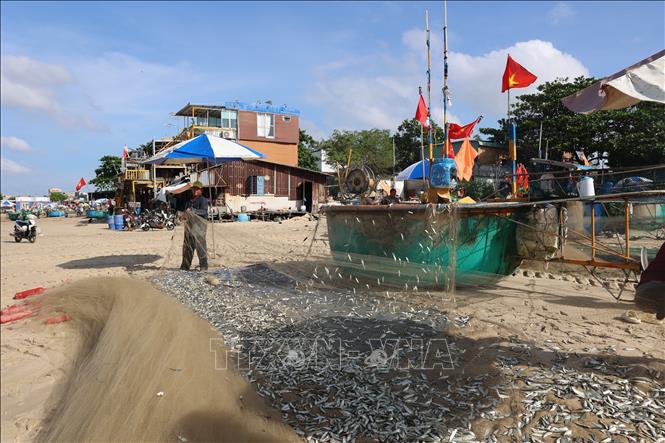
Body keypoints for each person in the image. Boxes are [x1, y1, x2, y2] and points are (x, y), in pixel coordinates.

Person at [180, 181, 209, 271]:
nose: (195, 191)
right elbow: (185, 211)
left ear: (201, 190)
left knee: (201, 248)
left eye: (197, 189)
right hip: (189, 227)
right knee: (187, 247)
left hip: (199, 227)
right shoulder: (189, 200)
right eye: (194, 189)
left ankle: (204, 267)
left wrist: (194, 211)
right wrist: (182, 216)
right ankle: (185, 267)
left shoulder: (203, 200)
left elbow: (204, 212)